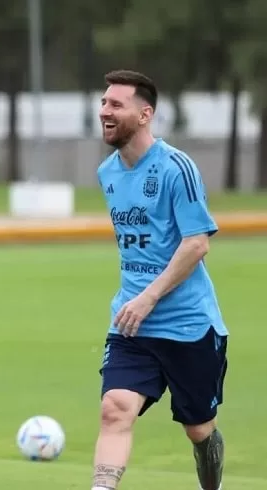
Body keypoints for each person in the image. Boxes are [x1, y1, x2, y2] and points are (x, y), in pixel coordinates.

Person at [91, 69, 228, 490]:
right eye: (103, 103)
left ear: (145, 114)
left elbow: (196, 245)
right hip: (131, 321)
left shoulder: (175, 168)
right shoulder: (108, 173)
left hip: (189, 326)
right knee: (115, 408)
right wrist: (138, 302)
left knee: (198, 430)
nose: (104, 112)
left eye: (116, 105)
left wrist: (149, 297)